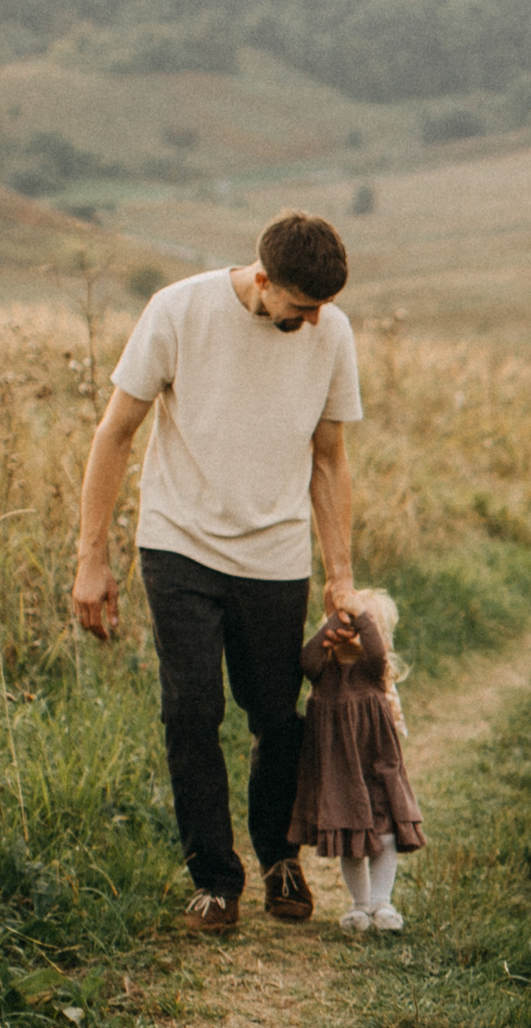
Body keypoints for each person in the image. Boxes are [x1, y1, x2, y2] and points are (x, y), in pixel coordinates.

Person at [71, 210, 363, 934]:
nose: (314, 319)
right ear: (263, 280)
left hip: (275, 555)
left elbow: (330, 459)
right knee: (190, 710)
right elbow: (115, 432)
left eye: (324, 306)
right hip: (179, 545)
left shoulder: (332, 332)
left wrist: (340, 577)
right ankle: (214, 880)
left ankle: (281, 860)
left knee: (276, 715)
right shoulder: (178, 310)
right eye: (302, 305)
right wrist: (91, 559)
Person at [288, 589, 423, 932]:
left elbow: (375, 651)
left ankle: (382, 902)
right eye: (348, 620)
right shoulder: (324, 672)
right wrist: (332, 627)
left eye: (366, 621)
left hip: (377, 766)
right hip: (340, 773)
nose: (355, 627)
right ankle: (360, 906)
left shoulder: (372, 670)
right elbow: (306, 660)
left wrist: (361, 618)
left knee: (386, 835)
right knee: (351, 840)